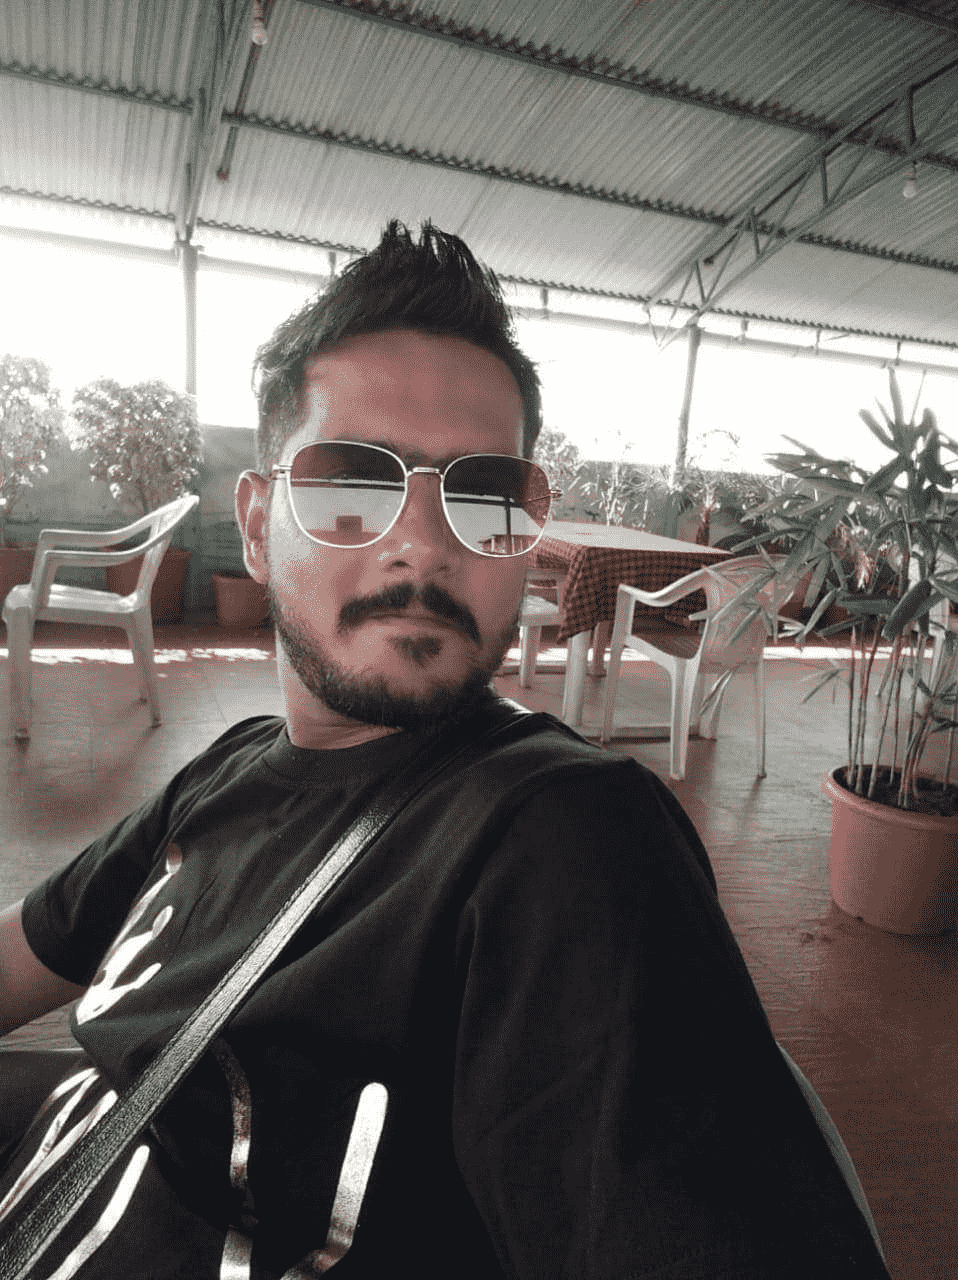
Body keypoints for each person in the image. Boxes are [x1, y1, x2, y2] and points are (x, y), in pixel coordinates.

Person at [0, 222, 890, 1279]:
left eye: (487, 496)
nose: (424, 543)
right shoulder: (224, 773)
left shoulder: (564, 838)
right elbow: (27, 951)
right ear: (256, 524)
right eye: (348, 483)